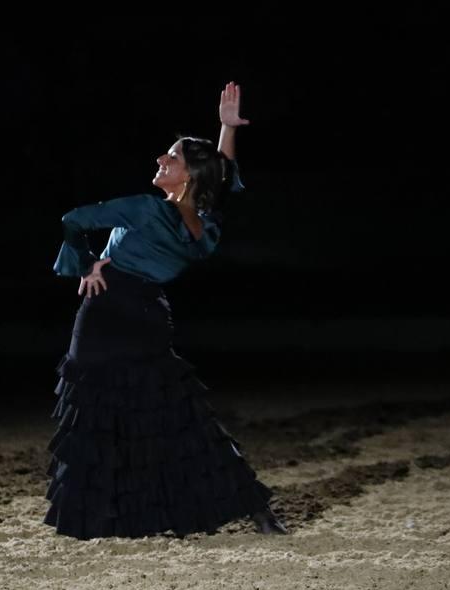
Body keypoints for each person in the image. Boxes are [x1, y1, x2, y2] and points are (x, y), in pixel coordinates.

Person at [44, 82, 286, 539]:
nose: (160, 160)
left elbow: (72, 220)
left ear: (188, 176)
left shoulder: (145, 210)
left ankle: (98, 519)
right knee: (180, 420)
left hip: (107, 313)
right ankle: (256, 510)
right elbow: (222, 173)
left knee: (94, 411)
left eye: (170, 159)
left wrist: (83, 264)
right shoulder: (206, 228)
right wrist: (225, 129)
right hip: (150, 318)